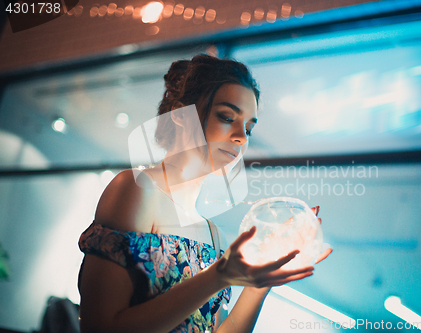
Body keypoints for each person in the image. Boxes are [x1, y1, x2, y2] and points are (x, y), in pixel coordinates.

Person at [77, 54, 331, 333]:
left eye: (248, 128)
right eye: (227, 117)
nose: (242, 138)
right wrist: (219, 277)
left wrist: (260, 284)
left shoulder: (213, 235)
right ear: (180, 115)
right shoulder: (137, 189)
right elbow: (99, 327)